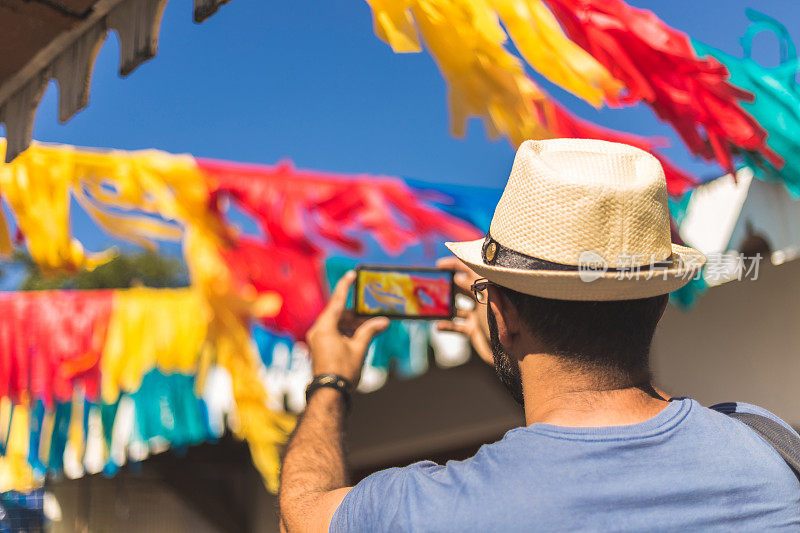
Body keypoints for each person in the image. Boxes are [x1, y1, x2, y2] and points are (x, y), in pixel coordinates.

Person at [278, 139, 800, 532]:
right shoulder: (770, 446)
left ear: (501, 316)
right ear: (659, 297)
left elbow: (298, 513)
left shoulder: (433, 508)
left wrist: (330, 378)